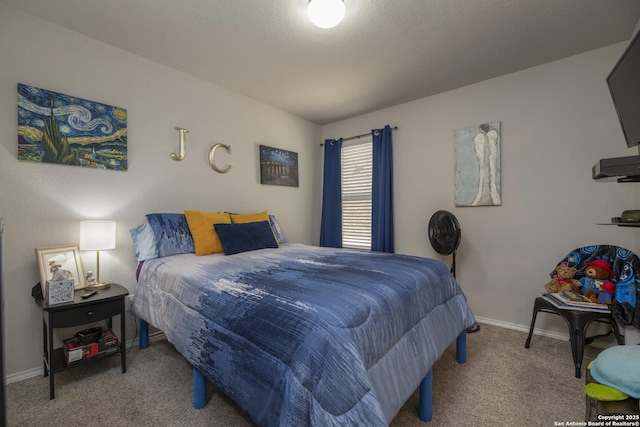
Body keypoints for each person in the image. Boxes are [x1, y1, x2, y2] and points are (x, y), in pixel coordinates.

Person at [471, 124, 501, 206]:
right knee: (484, 177)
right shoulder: (482, 138)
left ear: (482, 129)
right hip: (484, 162)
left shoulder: (490, 136)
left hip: (488, 161)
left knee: (489, 177)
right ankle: (484, 196)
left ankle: (491, 196)